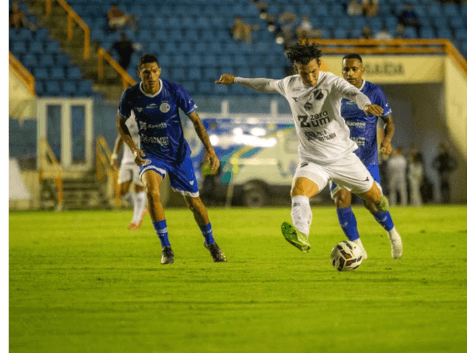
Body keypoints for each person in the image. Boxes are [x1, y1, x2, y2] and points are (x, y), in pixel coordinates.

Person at [215, 42, 401, 258]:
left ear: (319, 65)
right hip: (313, 160)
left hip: (343, 158)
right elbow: (266, 84)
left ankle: (383, 210)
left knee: (376, 199)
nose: (310, 78)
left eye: (313, 71)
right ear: (297, 70)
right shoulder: (290, 84)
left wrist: (365, 105)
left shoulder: (331, 81)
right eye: (304, 73)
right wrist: (236, 80)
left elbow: (353, 93)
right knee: (298, 192)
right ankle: (302, 234)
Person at [117, 54, 227, 264]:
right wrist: (133, 148)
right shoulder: (130, 95)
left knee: (194, 204)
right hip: (151, 155)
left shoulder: (174, 91)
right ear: (139, 74)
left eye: (154, 71)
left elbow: (196, 121)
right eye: (146, 72)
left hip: (178, 155)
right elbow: (120, 124)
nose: (151, 75)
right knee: (152, 192)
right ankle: (166, 248)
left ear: (159, 71)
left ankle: (211, 242)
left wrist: (210, 151)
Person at [326, 53, 402, 259]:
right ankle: (358, 250)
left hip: (367, 159)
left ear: (362, 70)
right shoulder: (334, 93)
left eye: (354, 69)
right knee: (341, 198)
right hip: (340, 158)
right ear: (342, 71)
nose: (350, 73)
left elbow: (389, 122)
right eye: (346, 69)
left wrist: (386, 141)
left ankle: (393, 234)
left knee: (372, 202)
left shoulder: (374, 92)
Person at [111, 111, 148, 230]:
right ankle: (141, 208)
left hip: (142, 159)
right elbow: (121, 137)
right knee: (122, 191)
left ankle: (135, 221)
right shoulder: (126, 114)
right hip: (127, 159)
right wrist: (114, 155)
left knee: (138, 189)